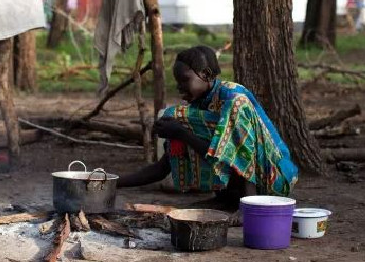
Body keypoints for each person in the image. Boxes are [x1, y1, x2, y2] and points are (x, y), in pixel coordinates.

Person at [117, 46, 299, 211]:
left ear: (206, 74)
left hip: (273, 180)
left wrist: (181, 132)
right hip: (250, 183)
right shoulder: (198, 108)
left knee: (224, 116)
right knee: (175, 118)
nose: (179, 87)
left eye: (184, 80)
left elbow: (239, 153)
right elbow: (162, 168)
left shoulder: (234, 97)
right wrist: (113, 182)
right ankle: (228, 199)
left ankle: (247, 205)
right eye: (177, 81)